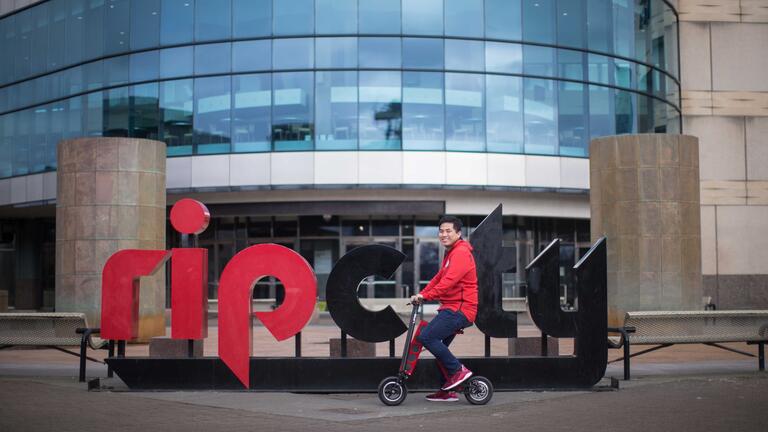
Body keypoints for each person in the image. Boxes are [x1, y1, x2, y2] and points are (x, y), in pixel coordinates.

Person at [410, 216, 478, 402]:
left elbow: (449, 282)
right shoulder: (451, 253)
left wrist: (426, 296)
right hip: (452, 308)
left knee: (427, 337)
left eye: (448, 231)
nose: (444, 234)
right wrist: (422, 294)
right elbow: (439, 278)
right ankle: (447, 391)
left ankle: (459, 371)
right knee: (440, 348)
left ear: (458, 233)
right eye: (441, 231)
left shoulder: (461, 252)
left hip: (460, 309)